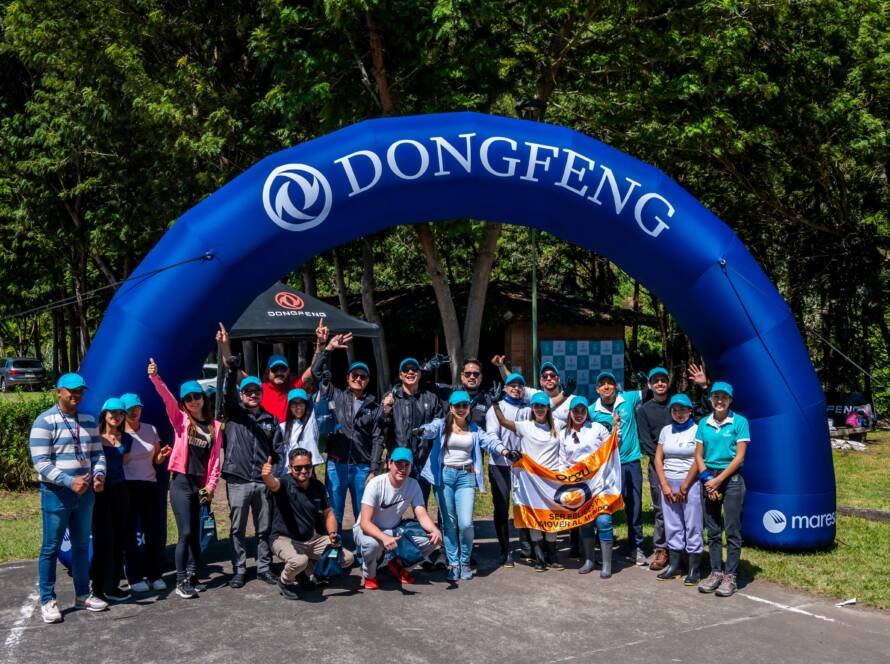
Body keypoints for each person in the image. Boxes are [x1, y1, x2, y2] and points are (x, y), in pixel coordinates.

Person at [29, 373, 108, 623]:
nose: (75, 396)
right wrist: (68, 481)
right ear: (58, 392)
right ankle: (48, 600)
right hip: (56, 494)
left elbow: (98, 454)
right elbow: (40, 463)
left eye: (80, 391)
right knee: (50, 548)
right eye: (70, 391)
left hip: (85, 493)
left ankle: (83, 594)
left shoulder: (88, 419)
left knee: (82, 545)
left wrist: (98, 475)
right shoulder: (44, 421)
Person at [148, 357, 223, 599]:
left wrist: (211, 487)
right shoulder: (181, 420)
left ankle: (192, 575)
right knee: (186, 532)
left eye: (196, 397)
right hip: (180, 483)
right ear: (184, 402)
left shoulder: (215, 427)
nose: (193, 401)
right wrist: (155, 377)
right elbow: (167, 398)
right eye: (188, 398)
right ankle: (181, 581)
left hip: (200, 485)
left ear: (203, 398)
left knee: (198, 534)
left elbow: (215, 462)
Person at [417, 391, 511, 581]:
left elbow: (490, 442)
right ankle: (453, 563)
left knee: (466, 523)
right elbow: (430, 428)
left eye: (464, 406)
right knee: (449, 523)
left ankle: (465, 561)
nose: (461, 409)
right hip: (445, 476)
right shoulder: (442, 425)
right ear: (451, 408)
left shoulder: (475, 428)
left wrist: (505, 451)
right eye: (457, 406)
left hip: (466, 476)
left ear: (469, 408)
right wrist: (422, 431)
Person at [311, 333, 385, 534]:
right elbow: (316, 372)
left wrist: (374, 469)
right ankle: (335, 553)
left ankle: (363, 556)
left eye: (363, 376)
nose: (358, 379)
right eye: (355, 375)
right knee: (333, 511)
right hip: (337, 463)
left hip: (362, 467)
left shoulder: (374, 406)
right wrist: (328, 349)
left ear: (368, 380)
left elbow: (378, 438)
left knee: (363, 514)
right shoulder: (336, 394)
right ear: (348, 377)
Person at [261, 448, 355, 600]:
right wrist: (266, 476)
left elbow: (328, 513)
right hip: (284, 539)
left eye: (307, 467)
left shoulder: (318, 486)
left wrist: (332, 534)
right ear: (290, 468)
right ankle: (285, 581)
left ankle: (308, 572)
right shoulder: (284, 483)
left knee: (347, 558)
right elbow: (273, 484)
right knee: (299, 561)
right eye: (298, 468)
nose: (303, 471)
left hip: (312, 539)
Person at [220, 362, 280, 589]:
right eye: (248, 391)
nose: (253, 395)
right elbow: (226, 394)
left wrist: (273, 475)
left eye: (257, 391)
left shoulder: (270, 419)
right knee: (237, 528)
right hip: (238, 479)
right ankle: (239, 569)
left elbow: (279, 451)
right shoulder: (233, 413)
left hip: (261, 481)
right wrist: (232, 371)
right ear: (241, 394)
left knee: (263, 527)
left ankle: (264, 567)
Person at [491, 392, 563, 572]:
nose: (539, 409)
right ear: (532, 408)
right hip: (530, 481)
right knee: (534, 519)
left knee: (551, 520)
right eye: (536, 406)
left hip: (551, 482)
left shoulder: (558, 426)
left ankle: (552, 556)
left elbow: (578, 421)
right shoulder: (524, 426)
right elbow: (502, 422)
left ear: (548, 408)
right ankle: (539, 558)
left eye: (542, 406)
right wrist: (495, 404)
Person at [353, 447, 443, 589]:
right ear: (390, 464)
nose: (402, 469)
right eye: (398, 464)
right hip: (367, 531)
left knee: (431, 540)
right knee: (372, 545)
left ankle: (399, 566)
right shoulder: (375, 484)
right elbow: (365, 523)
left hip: (394, 530)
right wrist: (384, 538)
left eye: (406, 465)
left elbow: (422, 515)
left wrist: (435, 530)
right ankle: (369, 574)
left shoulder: (413, 485)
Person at [695, 382, 750, 597]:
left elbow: (739, 457)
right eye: (716, 397)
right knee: (713, 530)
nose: (720, 401)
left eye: (724, 397)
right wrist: (708, 479)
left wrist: (718, 481)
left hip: (732, 479)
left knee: (732, 529)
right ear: (711, 399)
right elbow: (699, 455)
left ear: (730, 400)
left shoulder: (740, 422)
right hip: (709, 478)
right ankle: (716, 571)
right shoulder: (703, 423)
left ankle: (730, 575)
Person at [589, 370, 649, 566]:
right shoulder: (592, 410)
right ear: (597, 389)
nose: (606, 386)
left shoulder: (629, 398)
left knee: (634, 505)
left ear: (616, 386)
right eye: (602, 384)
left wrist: (646, 381)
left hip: (630, 461)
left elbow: (651, 391)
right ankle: (601, 546)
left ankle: (636, 547)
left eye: (610, 383)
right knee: (605, 506)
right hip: (606, 465)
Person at [216, 320, 325, 421]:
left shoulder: (294, 386)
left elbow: (314, 368)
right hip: (267, 436)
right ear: (268, 372)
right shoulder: (258, 388)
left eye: (283, 369)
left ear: (288, 371)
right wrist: (225, 346)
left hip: (290, 438)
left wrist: (320, 343)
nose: (279, 372)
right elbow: (232, 369)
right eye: (274, 369)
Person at [558, 396, 616, 578]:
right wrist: (566, 479)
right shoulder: (563, 434)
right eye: (576, 411)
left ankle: (607, 564)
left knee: (604, 521)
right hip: (579, 487)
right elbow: (562, 461)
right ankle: (589, 560)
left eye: (583, 411)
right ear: (570, 413)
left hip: (601, 483)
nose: (579, 414)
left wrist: (617, 431)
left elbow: (611, 448)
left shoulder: (597, 428)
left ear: (587, 412)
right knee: (586, 522)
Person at [120, 392, 171, 593]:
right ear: (122, 412)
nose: (135, 412)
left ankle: (155, 574)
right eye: (130, 409)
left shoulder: (150, 429)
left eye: (137, 408)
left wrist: (162, 455)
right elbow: (119, 461)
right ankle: (134, 576)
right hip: (128, 487)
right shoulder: (119, 433)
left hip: (150, 484)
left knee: (154, 532)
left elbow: (156, 459)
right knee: (131, 534)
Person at [653, 393, 703, 585]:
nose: (679, 413)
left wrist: (684, 486)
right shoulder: (666, 430)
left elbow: (699, 459)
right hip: (668, 483)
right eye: (675, 410)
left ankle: (694, 568)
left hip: (690, 483)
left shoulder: (698, 430)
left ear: (690, 411)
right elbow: (658, 458)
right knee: (672, 524)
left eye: (683, 409)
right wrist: (664, 485)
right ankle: (674, 566)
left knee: (693, 525)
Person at [380, 357, 445, 505]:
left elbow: (440, 424)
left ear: (420, 374)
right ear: (400, 375)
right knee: (393, 504)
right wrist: (385, 410)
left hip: (423, 460)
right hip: (399, 461)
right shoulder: (391, 398)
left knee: (421, 504)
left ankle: (421, 528)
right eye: (406, 370)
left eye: (414, 369)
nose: (410, 372)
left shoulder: (431, 397)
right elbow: (380, 427)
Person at [484, 372, 532, 565]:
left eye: (520, 385)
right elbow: (491, 436)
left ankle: (527, 546)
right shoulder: (495, 409)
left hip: (523, 466)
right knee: (502, 508)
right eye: (512, 385)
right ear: (505, 388)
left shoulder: (529, 409)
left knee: (523, 506)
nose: (516, 388)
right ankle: (505, 550)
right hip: (500, 464)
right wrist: (505, 451)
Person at [90, 398, 132, 602]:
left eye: (120, 413)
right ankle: (97, 587)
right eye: (112, 413)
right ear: (104, 414)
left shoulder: (127, 439)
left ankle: (113, 585)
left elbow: (123, 462)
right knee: (102, 539)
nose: (116, 417)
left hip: (120, 491)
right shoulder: (94, 438)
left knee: (119, 539)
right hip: (100, 493)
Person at [634, 367, 673, 571]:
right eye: (655, 380)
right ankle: (661, 548)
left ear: (668, 382)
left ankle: (680, 550)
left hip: (681, 465)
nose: (659, 383)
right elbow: (646, 442)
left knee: (681, 507)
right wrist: (660, 461)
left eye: (663, 380)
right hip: (657, 464)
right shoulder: (643, 410)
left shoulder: (677, 405)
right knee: (660, 509)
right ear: (649, 385)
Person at [275, 388, 323, 476]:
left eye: (301, 403)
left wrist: (322, 383)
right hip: (289, 473)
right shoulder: (282, 427)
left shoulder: (312, 422)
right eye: (294, 404)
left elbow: (319, 403)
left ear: (306, 405)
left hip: (307, 471)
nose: (298, 407)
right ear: (289, 407)